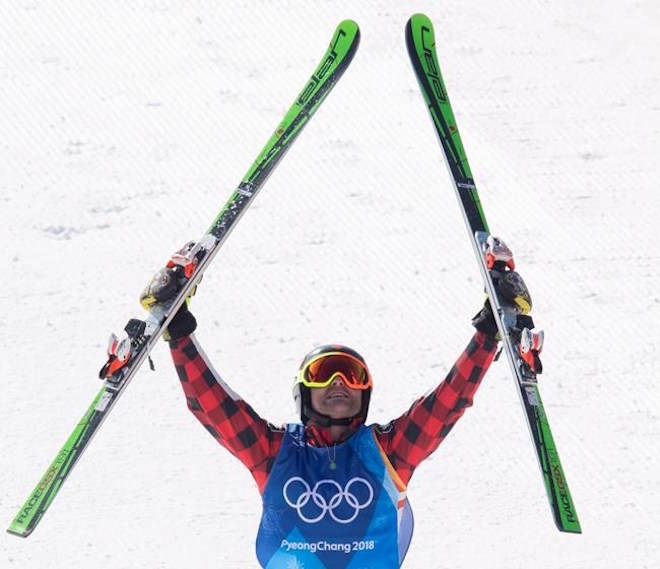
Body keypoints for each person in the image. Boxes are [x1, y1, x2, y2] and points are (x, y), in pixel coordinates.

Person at [141, 237, 541, 569]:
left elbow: (446, 404)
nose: (339, 383)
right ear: (303, 391)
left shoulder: (386, 454)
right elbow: (214, 408)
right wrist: (180, 333)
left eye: (352, 376)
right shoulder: (275, 453)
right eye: (324, 373)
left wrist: (489, 333)